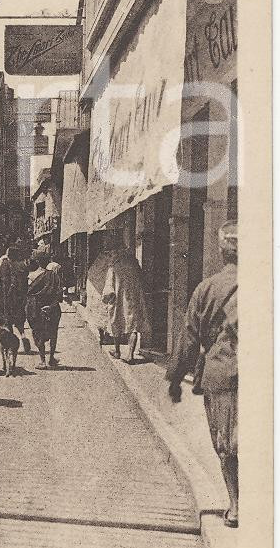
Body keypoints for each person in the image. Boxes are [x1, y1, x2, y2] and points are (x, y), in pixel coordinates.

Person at [166, 222, 238, 528]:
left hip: (221, 374)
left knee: (226, 441)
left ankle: (236, 505)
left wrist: (175, 379)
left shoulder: (206, 289)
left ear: (222, 251)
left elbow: (189, 340)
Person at [102, 244, 149, 363]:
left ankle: (117, 351)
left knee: (116, 324)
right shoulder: (134, 264)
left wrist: (106, 300)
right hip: (134, 299)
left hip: (119, 301)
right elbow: (143, 280)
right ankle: (130, 355)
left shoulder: (114, 266)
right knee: (133, 327)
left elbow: (109, 289)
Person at [26, 247, 63, 369]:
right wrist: (51, 306)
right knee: (53, 332)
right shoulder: (54, 276)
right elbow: (59, 293)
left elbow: (28, 293)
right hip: (53, 308)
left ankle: (42, 360)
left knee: (38, 332)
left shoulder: (32, 276)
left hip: (37, 308)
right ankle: (51, 358)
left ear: (36, 261)